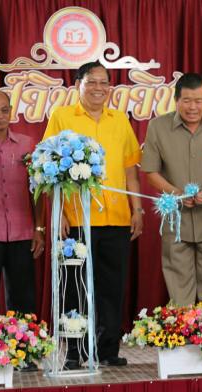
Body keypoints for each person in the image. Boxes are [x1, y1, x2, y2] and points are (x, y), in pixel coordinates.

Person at [43, 61, 143, 368]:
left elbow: (130, 170)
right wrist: (58, 213)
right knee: (75, 287)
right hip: (76, 219)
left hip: (117, 218)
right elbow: (48, 169)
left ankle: (108, 349)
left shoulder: (119, 120)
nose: (99, 88)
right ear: (78, 85)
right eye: (92, 82)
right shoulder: (62, 117)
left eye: (104, 82)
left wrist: (137, 209)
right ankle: (74, 352)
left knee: (112, 288)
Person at [141, 73, 202, 307]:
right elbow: (151, 172)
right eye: (186, 101)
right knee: (179, 289)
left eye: (198, 101)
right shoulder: (158, 126)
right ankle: (181, 328)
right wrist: (176, 193)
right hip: (176, 220)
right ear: (176, 100)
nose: (192, 107)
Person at [0, 89, 44, 371]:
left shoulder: (27, 145)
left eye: (4, 110)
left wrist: (39, 227)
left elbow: (38, 190)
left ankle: (23, 355)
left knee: (23, 298)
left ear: (11, 112)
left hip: (23, 231)